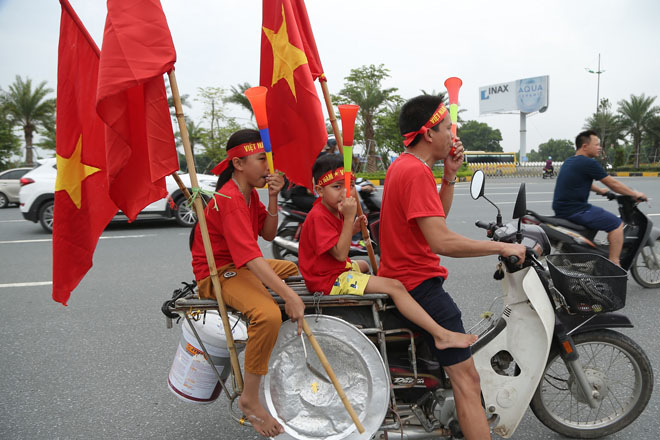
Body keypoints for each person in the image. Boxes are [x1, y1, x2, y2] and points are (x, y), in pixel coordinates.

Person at [378, 95, 526, 440]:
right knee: (467, 380)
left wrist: (449, 176)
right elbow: (441, 241)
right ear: (428, 133)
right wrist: (503, 245)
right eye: (447, 128)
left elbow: (433, 220)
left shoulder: (408, 165)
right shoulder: (413, 171)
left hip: (407, 278)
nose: (451, 136)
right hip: (419, 285)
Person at [298, 154, 478, 352]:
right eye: (337, 187)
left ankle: (374, 299)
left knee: (367, 265)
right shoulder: (318, 216)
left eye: (347, 186)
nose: (343, 193)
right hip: (328, 279)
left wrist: (354, 227)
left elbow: (336, 242)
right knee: (395, 286)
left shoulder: (332, 210)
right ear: (319, 190)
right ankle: (440, 334)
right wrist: (349, 219)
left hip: (332, 269)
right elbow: (340, 254)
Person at [190, 129, 305, 438]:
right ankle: (250, 398)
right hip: (219, 272)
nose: (269, 167)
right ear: (238, 164)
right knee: (267, 315)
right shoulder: (228, 197)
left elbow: (267, 235)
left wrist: (272, 196)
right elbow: (251, 259)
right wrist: (288, 297)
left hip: (241, 264)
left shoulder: (250, 193)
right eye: (261, 160)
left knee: (295, 270)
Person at [552, 130, 647, 266]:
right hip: (576, 210)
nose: (600, 147)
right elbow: (613, 183)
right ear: (585, 146)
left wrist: (600, 191)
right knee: (616, 225)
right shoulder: (588, 163)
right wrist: (634, 194)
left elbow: (580, 180)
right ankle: (614, 264)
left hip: (562, 208)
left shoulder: (570, 161)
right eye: (596, 144)